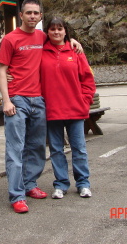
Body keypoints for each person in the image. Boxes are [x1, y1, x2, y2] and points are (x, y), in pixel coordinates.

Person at [0, 0, 82, 213]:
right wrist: (6, 100)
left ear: (40, 16)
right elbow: (2, 70)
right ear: (21, 15)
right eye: (28, 13)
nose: (32, 16)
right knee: (15, 149)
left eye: (36, 13)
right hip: (17, 99)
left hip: (39, 100)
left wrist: (74, 41)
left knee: (35, 148)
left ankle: (30, 184)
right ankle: (16, 196)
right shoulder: (10, 39)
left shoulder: (43, 37)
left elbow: (60, 40)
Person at [40, 17, 96, 199]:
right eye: (53, 29)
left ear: (66, 31)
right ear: (47, 32)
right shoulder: (41, 51)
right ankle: (61, 184)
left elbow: (87, 79)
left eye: (60, 29)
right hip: (52, 110)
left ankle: (83, 184)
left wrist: (84, 101)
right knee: (56, 150)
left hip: (75, 110)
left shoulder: (75, 50)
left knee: (79, 148)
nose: (56, 32)